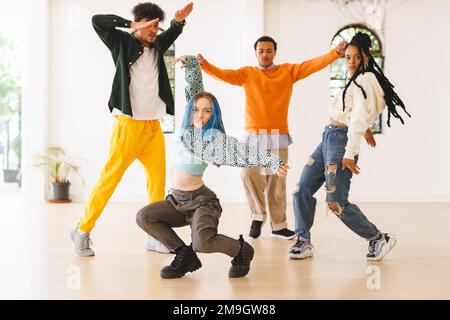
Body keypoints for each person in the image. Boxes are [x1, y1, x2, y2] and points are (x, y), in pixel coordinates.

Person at [136, 56, 289, 279]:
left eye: (207, 111)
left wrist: (273, 161)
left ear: (213, 114)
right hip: (176, 200)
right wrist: (190, 64)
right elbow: (195, 91)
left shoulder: (213, 138)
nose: (200, 115)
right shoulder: (188, 130)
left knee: (203, 243)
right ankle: (183, 254)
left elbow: (241, 152)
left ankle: (242, 250)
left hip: (201, 201)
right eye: (197, 109)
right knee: (144, 216)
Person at [71, 2, 193, 257]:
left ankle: (154, 237)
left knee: (157, 185)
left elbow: (172, 33)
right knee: (109, 180)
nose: (155, 31)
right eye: (151, 26)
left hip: (153, 127)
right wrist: (131, 25)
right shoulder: (121, 43)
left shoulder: (158, 45)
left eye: (157, 27)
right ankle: (82, 231)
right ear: (139, 23)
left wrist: (178, 21)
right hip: (127, 126)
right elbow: (97, 20)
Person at [197, 37, 346, 240]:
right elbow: (224, 75)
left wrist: (335, 53)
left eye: (269, 50)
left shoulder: (287, 71)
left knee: (276, 183)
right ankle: (257, 216)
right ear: (256, 53)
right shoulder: (247, 73)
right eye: (261, 51)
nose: (265, 54)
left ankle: (278, 226)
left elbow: (312, 65)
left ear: (274, 52)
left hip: (278, 135)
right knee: (249, 175)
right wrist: (205, 65)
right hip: (253, 136)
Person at [289, 32, 411, 261]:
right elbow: (354, 112)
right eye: (348, 57)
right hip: (328, 137)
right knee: (302, 188)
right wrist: (364, 128)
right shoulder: (356, 80)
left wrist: (350, 153)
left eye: (357, 57)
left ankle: (377, 238)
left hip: (341, 142)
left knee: (336, 202)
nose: (351, 61)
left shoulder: (367, 80)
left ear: (366, 57)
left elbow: (358, 118)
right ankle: (303, 241)